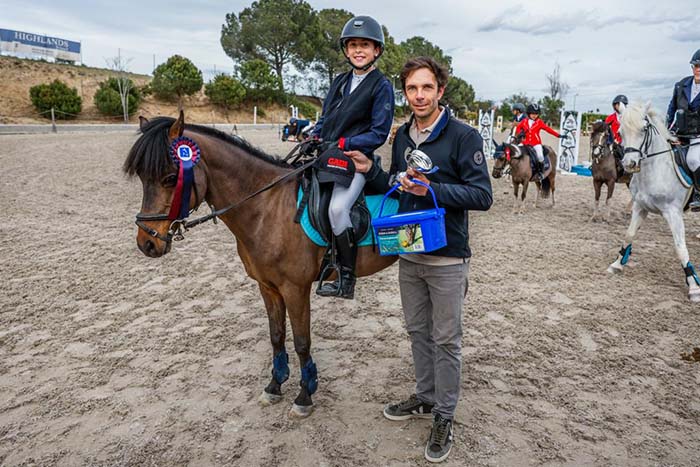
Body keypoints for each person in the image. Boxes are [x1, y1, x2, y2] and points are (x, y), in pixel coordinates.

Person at [348, 56, 492, 463]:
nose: (419, 95)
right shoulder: (402, 137)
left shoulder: (464, 137)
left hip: (447, 257)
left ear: (440, 91)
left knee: (446, 340)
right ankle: (426, 397)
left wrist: (434, 188)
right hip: (408, 251)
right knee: (417, 331)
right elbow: (395, 182)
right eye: (412, 89)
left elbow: (482, 196)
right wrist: (371, 170)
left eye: (426, 87)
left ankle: (444, 416)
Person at [309, 15, 394, 299]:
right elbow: (326, 118)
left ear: (376, 50)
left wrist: (347, 142)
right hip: (326, 154)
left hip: (356, 161)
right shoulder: (340, 81)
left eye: (365, 45)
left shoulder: (381, 86)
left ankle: (346, 278)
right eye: (354, 45)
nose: (359, 50)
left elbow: (379, 133)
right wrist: (314, 135)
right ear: (346, 50)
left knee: (336, 210)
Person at [667, 49, 700, 210]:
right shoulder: (681, 85)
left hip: (697, 136)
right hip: (679, 132)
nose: (698, 68)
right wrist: (666, 131)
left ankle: (698, 194)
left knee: (693, 160)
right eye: (696, 65)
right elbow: (671, 109)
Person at [515, 103, 563, 180]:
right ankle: (514, 170)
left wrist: (558, 135)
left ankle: (540, 172)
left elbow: (548, 129)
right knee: (516, 152)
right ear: (529, 113)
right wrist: (520, 134)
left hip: (535, 143)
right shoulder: (524, 121)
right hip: (525, 143)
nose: (534, 115)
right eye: (533, 113)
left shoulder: (539, 122)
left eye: (536, 114)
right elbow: (518, 128)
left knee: (540, 156)